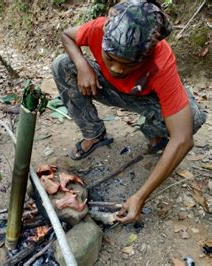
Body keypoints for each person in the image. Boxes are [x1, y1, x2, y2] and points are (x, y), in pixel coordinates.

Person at [51, 0, 207, 224]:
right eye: (111, 58)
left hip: (145, 97)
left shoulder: (161, 61)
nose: (116, 69)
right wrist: (82, 65)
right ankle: (94, 133)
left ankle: (156, 133)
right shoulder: (100, 28)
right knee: (62, 65)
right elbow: (67, 35)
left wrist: (140, 196)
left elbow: (183, 139)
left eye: (128, 64)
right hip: (105, 85)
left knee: (192, 118)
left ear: (146, 55)